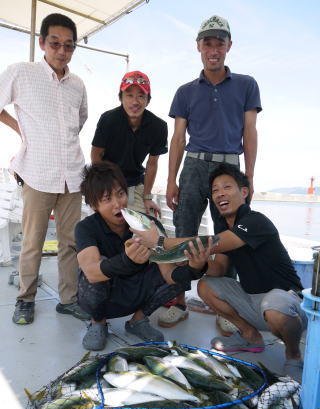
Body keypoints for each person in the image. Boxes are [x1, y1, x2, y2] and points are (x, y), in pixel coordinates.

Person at [132, 163, 307, 383]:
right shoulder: (226, 230)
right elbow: (220, 268)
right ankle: (251, 337)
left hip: (288, 303)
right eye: (215, 190)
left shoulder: (256, 221)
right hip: (254, 301)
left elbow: (213, 242)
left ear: (244, 192)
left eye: (227, 187)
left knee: (275, 304)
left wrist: (159, 241)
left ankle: (293, 355)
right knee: (206, 285)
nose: (220, 193)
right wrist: (195, 264)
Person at [162, 14, 262, 327]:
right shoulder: (185, 91)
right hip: (192, 165)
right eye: (208, 42)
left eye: (220, 42)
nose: (213, 49)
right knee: (184, 233)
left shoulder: (247, 85)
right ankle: (178, 302)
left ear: (229, 46)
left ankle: (225, 308)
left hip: (230, 166)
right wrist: (170, 181)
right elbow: (178, 138)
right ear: (198, 47)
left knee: (228, 238)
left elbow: (250, 131)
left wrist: (250, 176)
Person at [0, 13, 90, 324]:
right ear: (42, 43)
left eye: (68, 46)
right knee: (32, 242)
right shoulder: (21, 73)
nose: (62, 51)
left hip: (73, 178)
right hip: (37, 174)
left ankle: (69, 299)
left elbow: (80, 121)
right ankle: (25, 298)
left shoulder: (78, 84)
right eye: (55, 44)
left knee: (70, 242)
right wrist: (20, 129)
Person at [75, 161, 211, 351]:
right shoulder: (86, 228)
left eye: (120, 194)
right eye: (107, 199)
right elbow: (91, 272)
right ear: (93, 205)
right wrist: (126, 261)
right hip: (105, 296)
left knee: (178, 268)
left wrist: (195, 267)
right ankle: (98, 323)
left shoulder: (150, 224)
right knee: (96, 271)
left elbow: (169, 275)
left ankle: (138, 321)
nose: (118, 203)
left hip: (137, 291)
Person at [91, 71, 168, 217]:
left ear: (148, 100)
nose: (135, 102)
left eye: (141, 96)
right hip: (107, 184)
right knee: (103, 232)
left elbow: (152, 164)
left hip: (134, 186)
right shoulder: (108, 119)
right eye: (129, 95)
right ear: (121, 97)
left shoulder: (159, 126)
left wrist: (147, 197)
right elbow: (96, 155)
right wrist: (102, 190)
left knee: (148, 232)